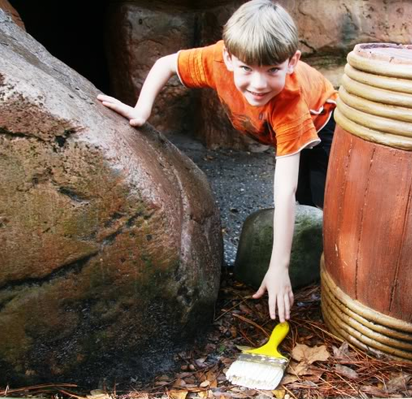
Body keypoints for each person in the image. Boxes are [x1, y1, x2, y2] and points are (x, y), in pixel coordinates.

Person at [97, 0, 337, 323]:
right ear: (228, 57)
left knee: (322, 206)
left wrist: (278, 265)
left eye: (273, 70)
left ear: (293, 62)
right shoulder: (214, 60)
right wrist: (142, 109)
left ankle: (324, 280)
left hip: (323, 123)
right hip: (283, 130)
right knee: (307, 207)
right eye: (246, 69)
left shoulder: (288, 101)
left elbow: (284, 187)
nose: (259, 83)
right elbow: (165, 64)